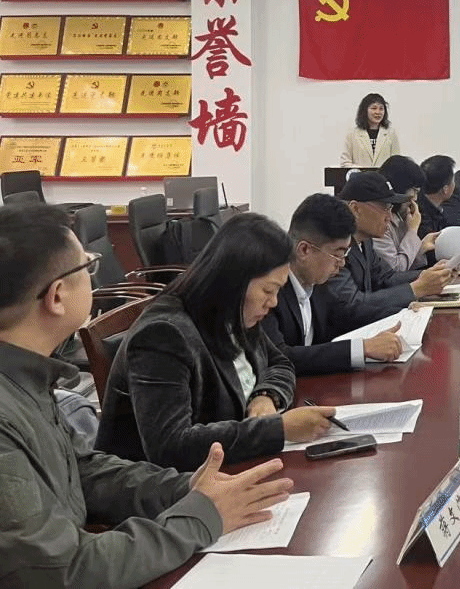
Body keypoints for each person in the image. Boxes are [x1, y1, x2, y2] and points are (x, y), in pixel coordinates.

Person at [0, 203, 296, 589]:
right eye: (87, 267)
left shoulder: (28, 378)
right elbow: (64, 571)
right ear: (57, 296)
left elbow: (82, 470)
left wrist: (185, 488)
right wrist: (199, 517)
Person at [97, 214, 336, 472]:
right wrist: (278, 429)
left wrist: (266, 396)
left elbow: (280, 362)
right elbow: (170, 447)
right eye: (268, 290)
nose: (274, 302)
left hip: (232, 468)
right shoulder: (163, 334)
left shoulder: (234, 314)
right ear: (235, 281)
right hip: (166, 486)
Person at [261, 194, 405, 376]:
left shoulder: (317, 283)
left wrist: (403, 313)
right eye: (337, 254)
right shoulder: (268, 291)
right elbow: (279, 356)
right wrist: (362, 349)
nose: (342, 263)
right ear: (304, 250)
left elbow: (347, 314)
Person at [328, 172, 455, 331]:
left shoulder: (365, 240)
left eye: (391, 208)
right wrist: (417, 288)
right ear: (355, 208)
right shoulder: (334, 246)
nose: (389, 217)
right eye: (385, 208)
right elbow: (352, 304)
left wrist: (430, 275)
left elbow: (386, 277)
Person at [376, 155, 439, 272]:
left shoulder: (400, 216)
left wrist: (421, 248)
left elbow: (405, 264)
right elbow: (395, 270)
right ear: (399, 188)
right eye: (414, 191)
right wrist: (412, 231)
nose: (415, 198)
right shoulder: (379, 222)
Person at [340, 92, 400, 167]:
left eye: (381, 109)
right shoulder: (352, 134)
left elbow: (397, 162)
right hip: (360, 174)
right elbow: (345, 162)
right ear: (365, 110)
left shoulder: (391, 133)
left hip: (384, 175)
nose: (378, 112)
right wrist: (363, 171)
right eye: (374, 108)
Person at [416, 154, 458, 238]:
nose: (455, 185)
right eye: (453, 181)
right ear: (445, 189)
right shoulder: (421, 217)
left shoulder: (428, 205)